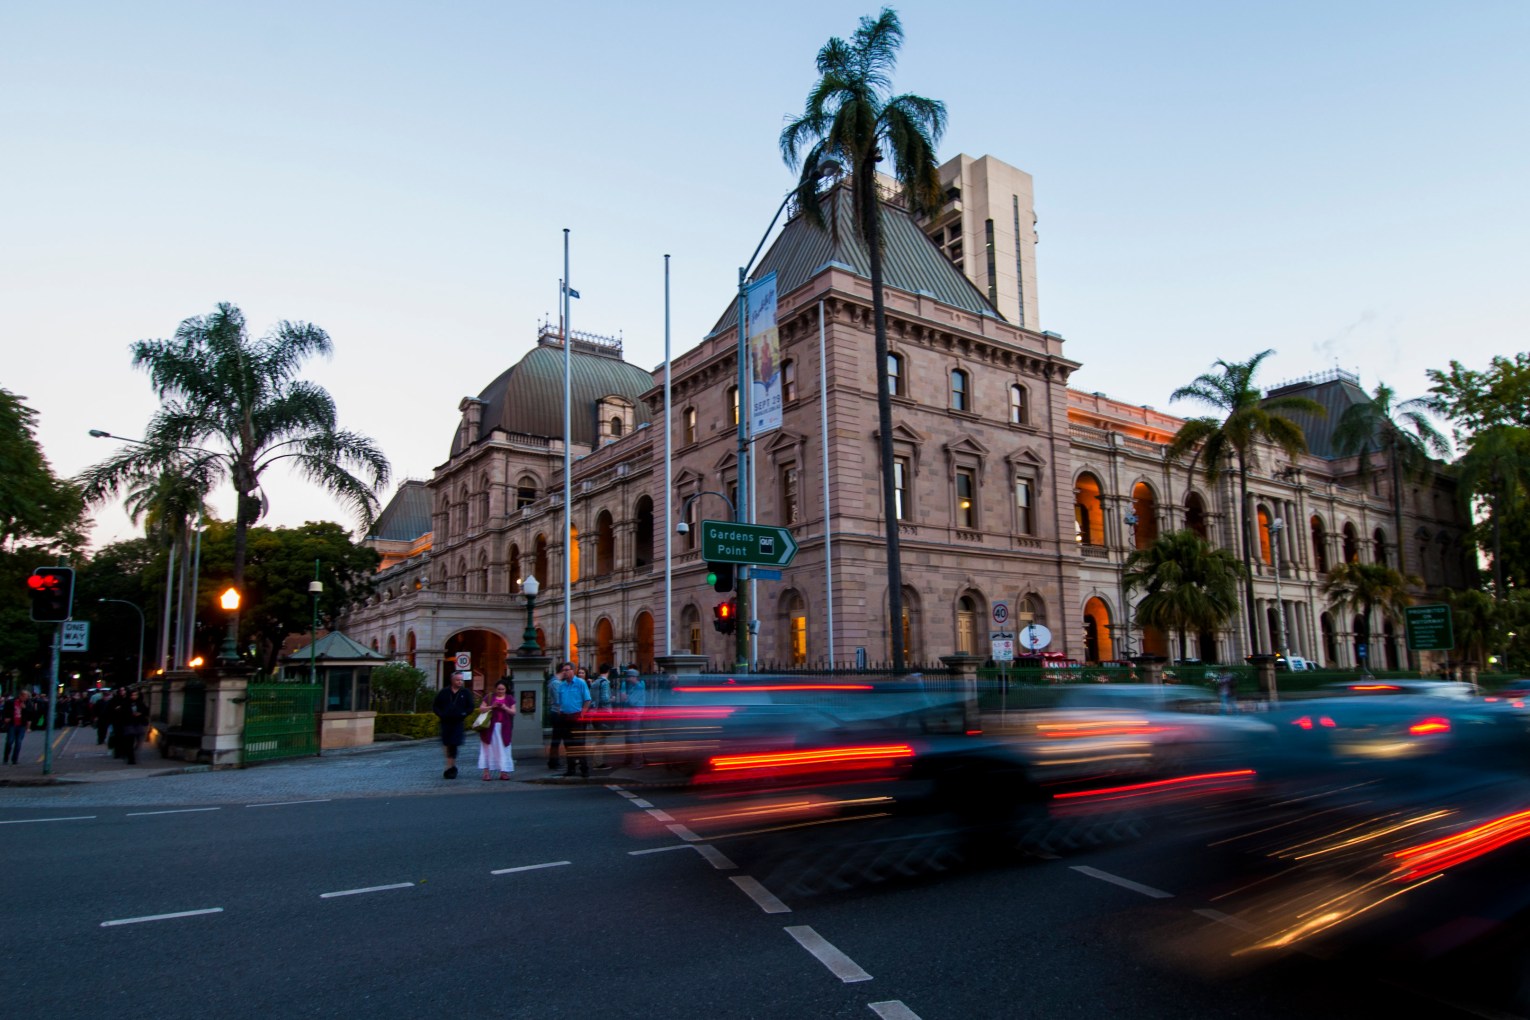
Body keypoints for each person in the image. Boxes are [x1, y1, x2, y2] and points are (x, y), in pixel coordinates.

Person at [547, 661, 591, 778]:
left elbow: (587, 699)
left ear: (572, 670)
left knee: (579, 744)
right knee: (568, 744)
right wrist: (561, 710)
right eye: (563, 670)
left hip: (577, 716)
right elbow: (560, 701)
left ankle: (584, 769)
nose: (565, 672)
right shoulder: (562, 685)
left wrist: (582, 713)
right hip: (565, 717)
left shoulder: (580, 683)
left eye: (567, 670)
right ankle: (571, 768)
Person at [432, 672, 477, 779]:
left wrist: (463, 713)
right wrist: (441, 714)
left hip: (458, 722)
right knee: (446, 743)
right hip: (445, 722)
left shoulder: (465, 692)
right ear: (452, 680)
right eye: (457, 680)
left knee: (454, 743)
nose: (460, 682)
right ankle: (451, 765)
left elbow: (470, 707)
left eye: (461, 680)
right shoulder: (444, 692)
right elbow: (435, 706)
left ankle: (449, 767)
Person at [476, 681, 515, 781]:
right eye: (499, 689)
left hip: (504, 728)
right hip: (490, 728)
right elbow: (481, 708)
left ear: (506, 689)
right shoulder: (489, 697)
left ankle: (503, 772)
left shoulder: (509, 698)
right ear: (495, 689)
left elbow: (513, 712)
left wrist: (504, 707)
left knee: (504, 749)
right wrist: (491, 707)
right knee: (487, 748)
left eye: (503, 689)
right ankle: (486, 772)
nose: (501, 691)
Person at [616, 666, 646, 767]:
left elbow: (631, 701)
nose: (626, 678)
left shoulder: (639, 687)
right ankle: (630, 759)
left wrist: (625, 697)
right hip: (629, 714)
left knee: (634, 738)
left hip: (635, 715)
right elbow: (622, 698)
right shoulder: (629, 686)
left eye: (628, 676)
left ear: (634, 677)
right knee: (629, 738)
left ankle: (638, 762)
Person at [3, 690, 38, 765]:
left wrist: (24, 709)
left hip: (21, 725)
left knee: (18, 742)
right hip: (12, 724)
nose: (26, 699)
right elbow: (5, 711)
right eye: (25, 697)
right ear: (21, 696)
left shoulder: (28, 703)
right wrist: (6, 718)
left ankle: (14, 759)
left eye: (27, 697)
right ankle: (6, 758)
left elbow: (31, 714)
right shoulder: (11, 702)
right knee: (9, 741)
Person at [119, 689, 151, 765]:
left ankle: (133, 754)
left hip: (139, 724)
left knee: (139, 742)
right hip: (129, 724)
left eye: (136, 695)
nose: (134, 696)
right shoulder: (126, 703)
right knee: (129, 742)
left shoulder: (141, 703)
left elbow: (146, 712)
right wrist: (130, 715)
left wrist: (140, 714)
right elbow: (122, 714)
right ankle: (131, 758)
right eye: (133, 695)